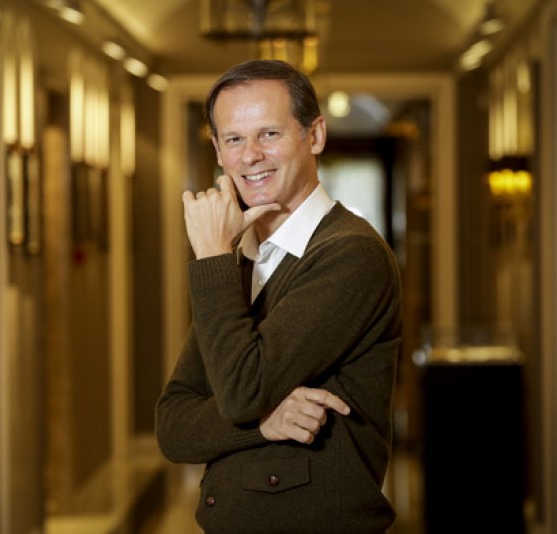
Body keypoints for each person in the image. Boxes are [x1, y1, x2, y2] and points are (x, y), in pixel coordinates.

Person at [154, 59, 404, 534]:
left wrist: (211, 255)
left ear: (315, 135)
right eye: (234, 139)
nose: (250, 156)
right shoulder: (244, 259)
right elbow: (172, 426)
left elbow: (243, 393)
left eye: (268, 134)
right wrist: (263, 424)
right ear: (218, 151)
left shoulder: (352, 255)